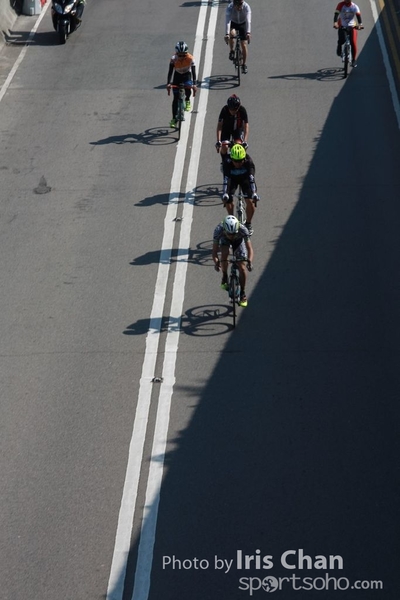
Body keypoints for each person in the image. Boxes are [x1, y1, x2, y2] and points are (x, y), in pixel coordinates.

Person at [212, 215, 254, 308]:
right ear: (224, 230)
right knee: (224, 254)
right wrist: (217, 262)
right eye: (229, 234)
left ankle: (242, 293)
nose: (231, 236)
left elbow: (249, 248)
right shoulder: (218, 230)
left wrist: (250, 261)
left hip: (239, 241)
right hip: (224, 240)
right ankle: (224, 276)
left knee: (242, 267)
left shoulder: (243, 229)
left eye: (233, 233)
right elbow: (214, 251)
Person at [222, 143, 259, 236]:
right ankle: (232, 221)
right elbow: (226, 180)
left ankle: (248, 224)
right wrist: (225, 194)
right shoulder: (227, 162)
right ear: (231, 159)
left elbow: (251, 179)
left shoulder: (248, 162)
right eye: (235, 161)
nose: (238, 163)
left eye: (240, 161)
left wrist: (254, 193)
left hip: (245, 179)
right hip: (232, 179)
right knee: (228, 200)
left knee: (250, 202)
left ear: (244, 158)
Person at [167, 41, 197, 129]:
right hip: (177, 76)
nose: (181, 57)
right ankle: (173, 119)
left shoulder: (191, 58)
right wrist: (168, 83)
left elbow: (194, 73)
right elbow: (170, 72)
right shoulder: (173, 59)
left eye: (184, 55)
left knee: (188, 88)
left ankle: (187, 99)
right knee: (175, 99)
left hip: (186, 75)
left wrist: (194, 84)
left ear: (186, 53)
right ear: (176, 54)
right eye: (179, 55)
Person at [215, 95, 249, 162]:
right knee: (224, 147)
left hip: (237, 129)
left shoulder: (242, 110)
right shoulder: (224, 110)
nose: (233, 111)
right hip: (226, 130)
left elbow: (246, 125)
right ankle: (224, 161)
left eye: (235, 110)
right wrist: (218, 141)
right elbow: (219, 126)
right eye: (231, 109)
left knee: (239, 146)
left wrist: (245, 141)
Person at [225, 0, 252, 74]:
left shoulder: (246, 7)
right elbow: (227, 21)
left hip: (243, 23)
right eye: (237, 6)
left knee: (244, 44)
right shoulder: (229, 7)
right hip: (233, 23)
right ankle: (231, 50)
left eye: (240, 5)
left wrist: (248, 32)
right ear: (234, 4)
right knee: (232, 34)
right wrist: (227, 34)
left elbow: (248, 20)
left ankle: (244, 65)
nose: (239, 8)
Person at [333, 0, 363, 67]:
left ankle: (354, 60)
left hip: (352, 26)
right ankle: (339, 45)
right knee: (342, 40)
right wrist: (335, 23)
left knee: (353, 42)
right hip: (342, 25)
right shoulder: (340, 5)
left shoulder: (355, 7)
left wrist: (360, 25)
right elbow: (336, 14)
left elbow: (358, 17)